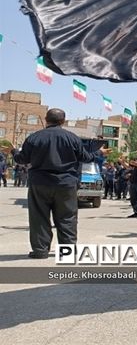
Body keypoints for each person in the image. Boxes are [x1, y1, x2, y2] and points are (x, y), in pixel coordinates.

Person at [2, 108, 110, 258]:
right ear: (63, 121)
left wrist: (13, 152)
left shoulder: (34, 138)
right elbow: (85, 157)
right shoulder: (72, 138)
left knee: (39, 217)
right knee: (67, 218)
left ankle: (40, 251)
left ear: (46, 120)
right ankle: (67, 252)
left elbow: (22, 159)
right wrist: (99, 153)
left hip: (40, 183)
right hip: (66, 184)